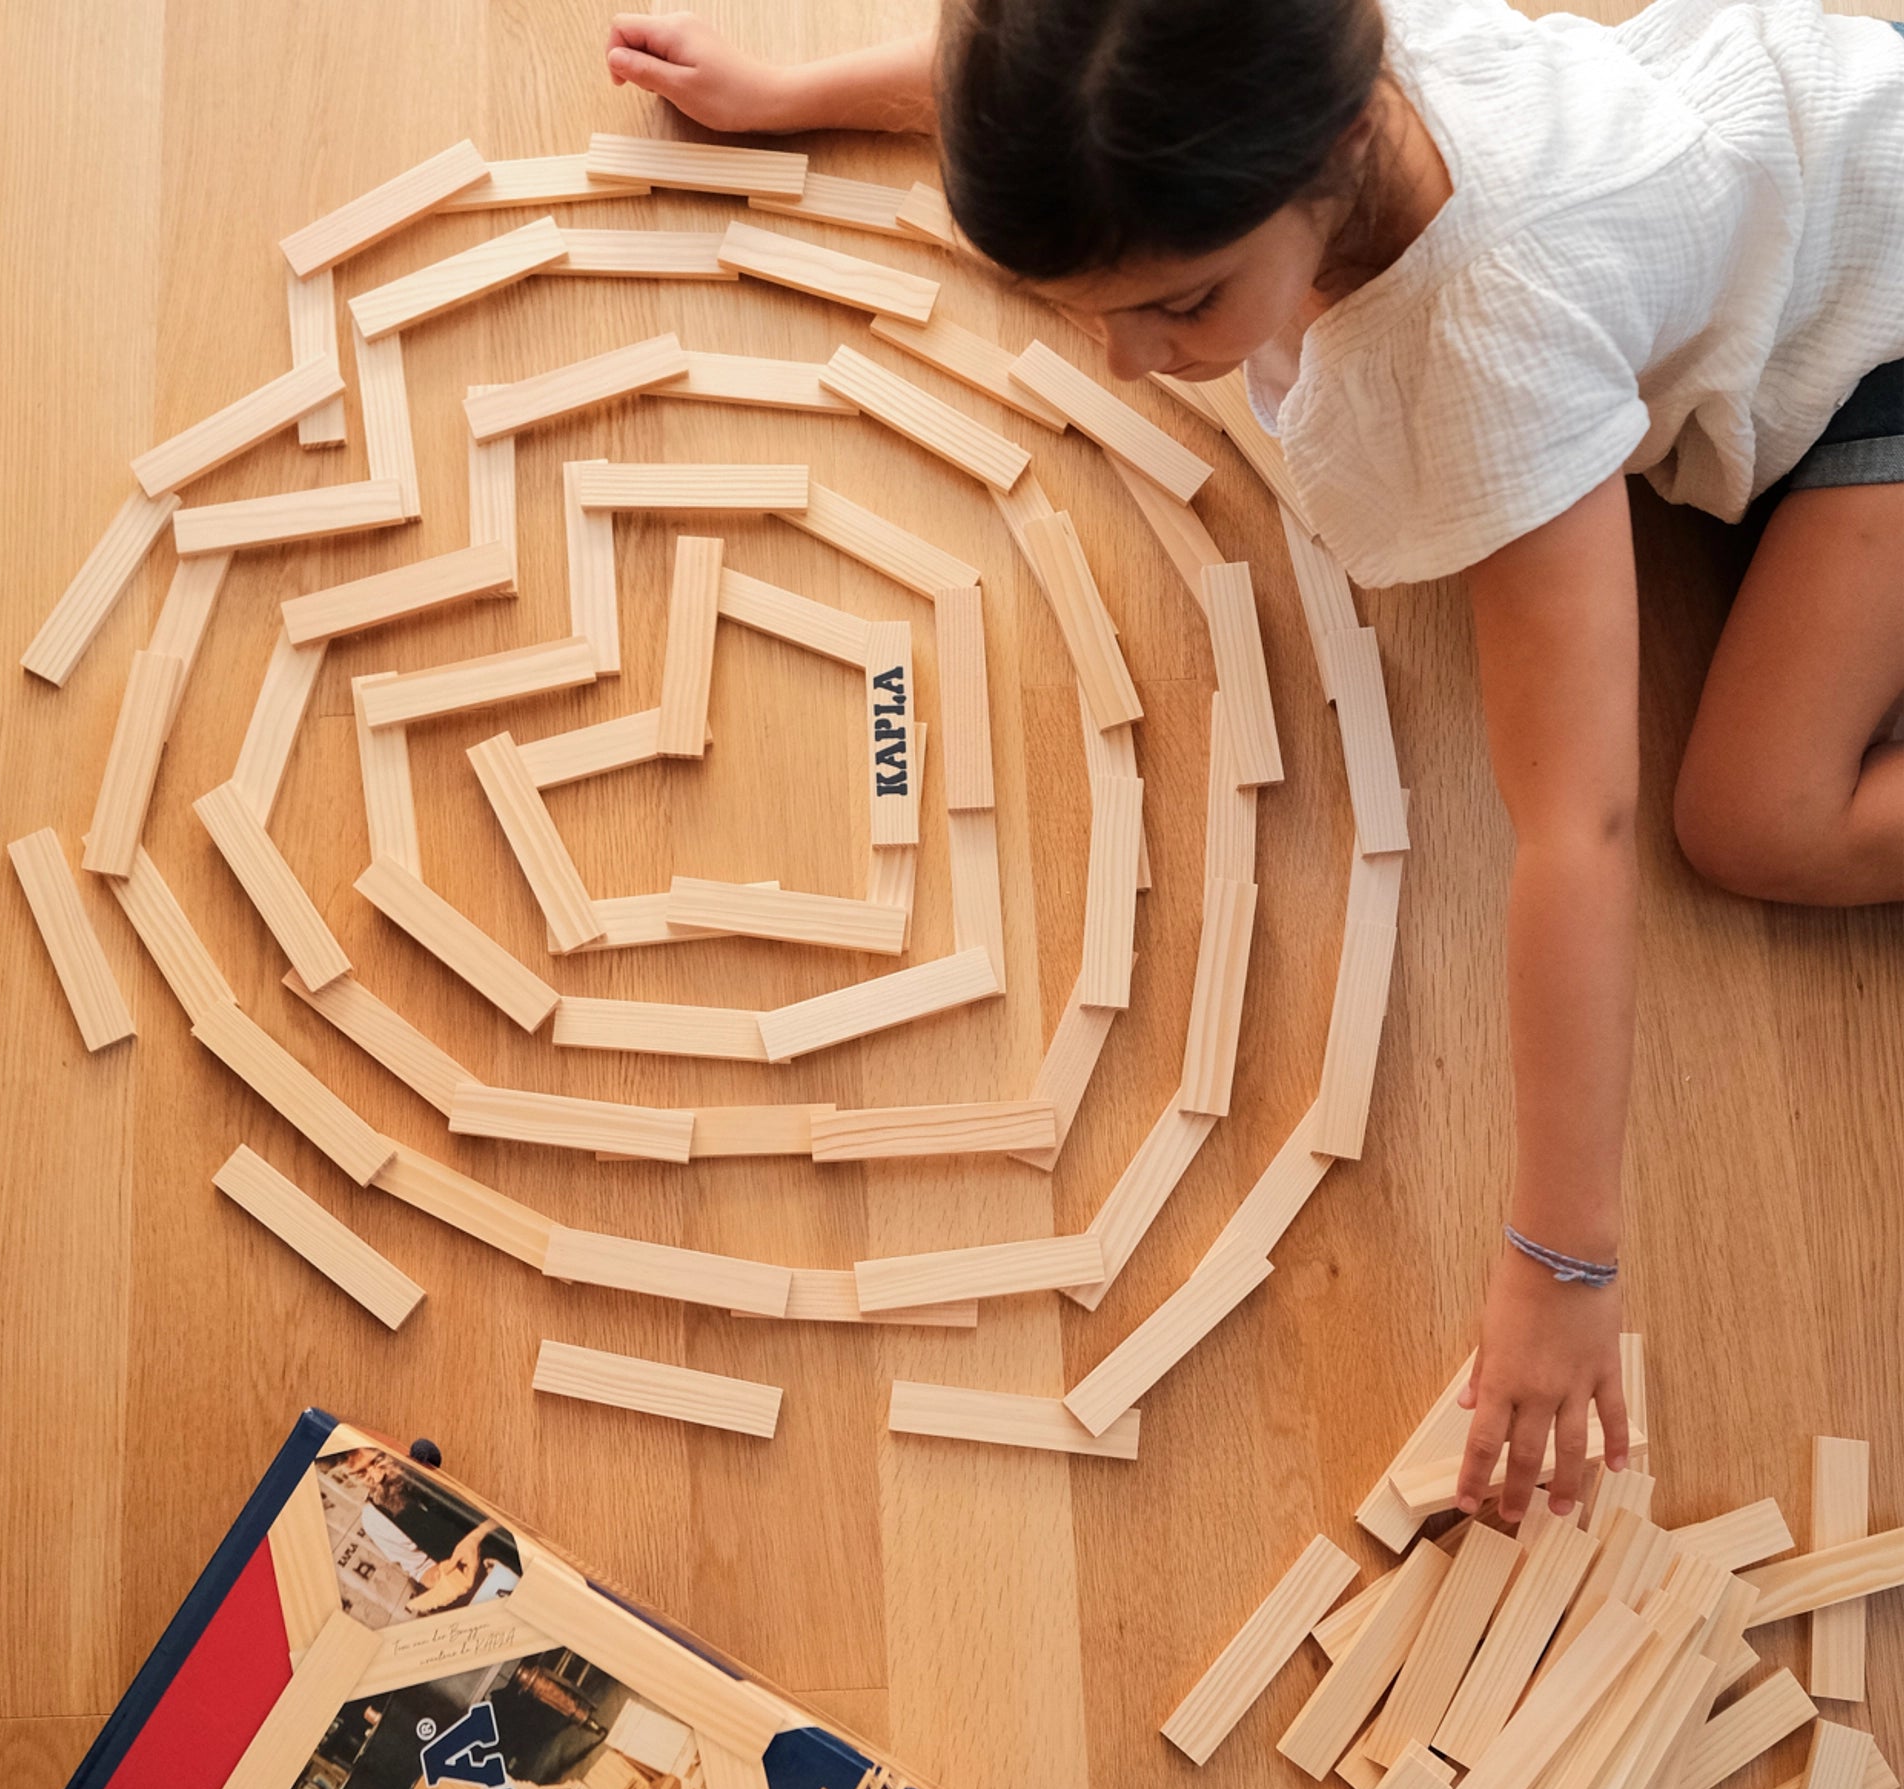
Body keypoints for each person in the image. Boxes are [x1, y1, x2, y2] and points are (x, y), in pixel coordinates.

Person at [606, 0, 1904, 1524]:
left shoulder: (1496, 342)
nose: (1129, 362)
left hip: (1872, 333)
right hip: (1804, 145)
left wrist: (1563, 1264)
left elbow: (1578, 822)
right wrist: (798, 90)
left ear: (1338, 147)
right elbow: (1074, 56)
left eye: (1182, 306)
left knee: (1757, 818)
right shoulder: (1279, 45)